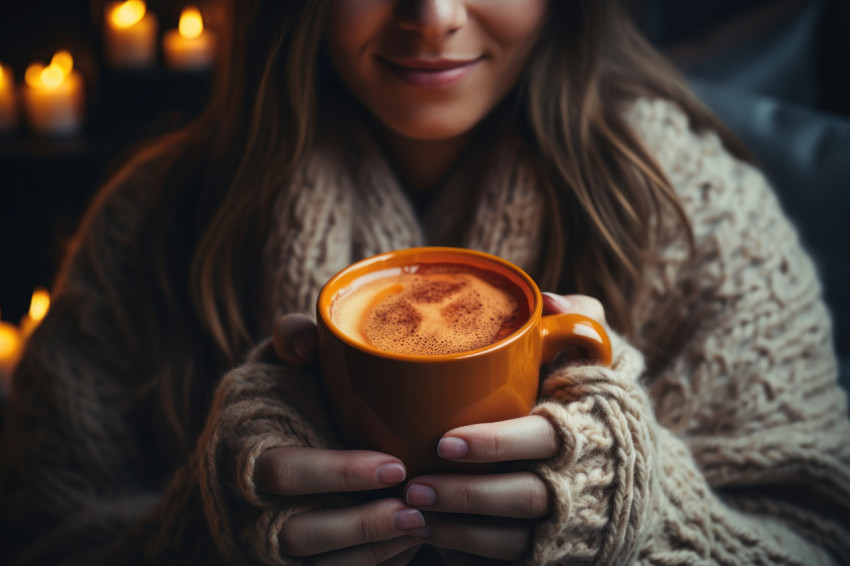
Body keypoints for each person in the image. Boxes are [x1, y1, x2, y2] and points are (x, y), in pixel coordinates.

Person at [1, 0, 848, 564]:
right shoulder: (150, 218)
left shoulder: (699, 210)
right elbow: (36, 529)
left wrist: (642, 513)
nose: (433, 16)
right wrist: (205, 533)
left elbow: (818, 533)